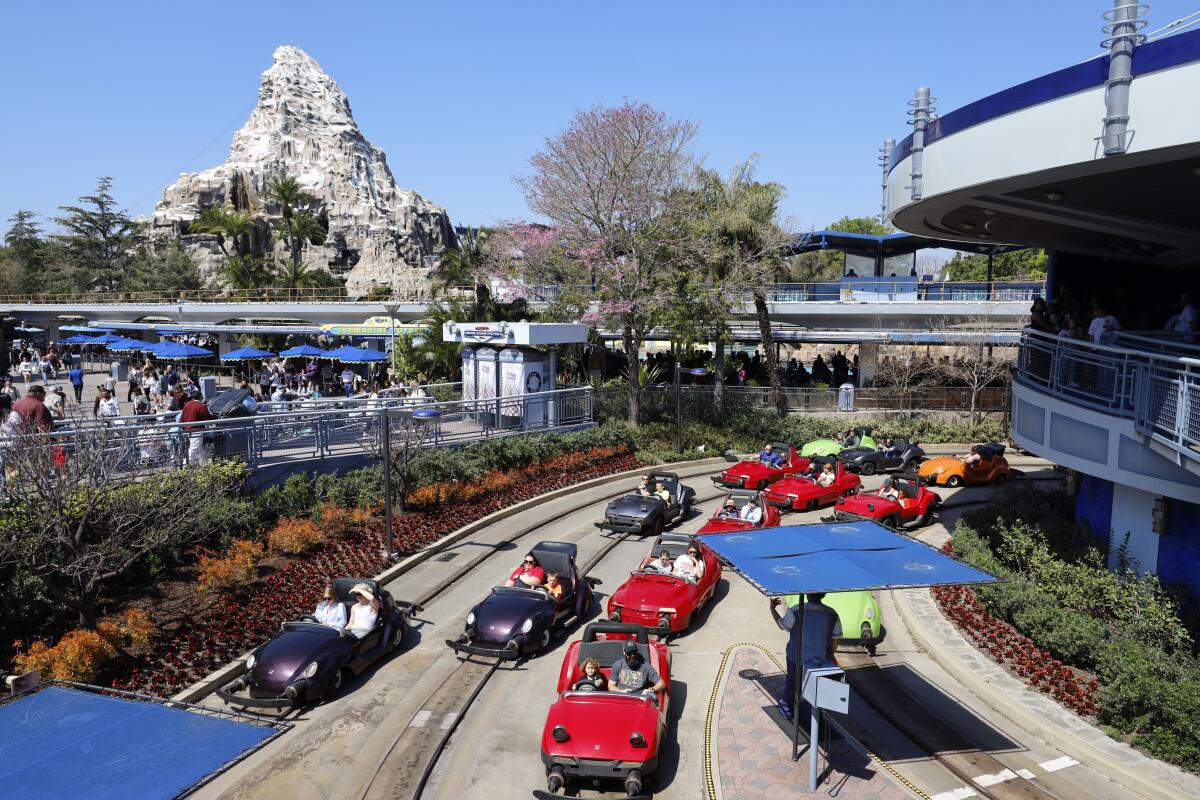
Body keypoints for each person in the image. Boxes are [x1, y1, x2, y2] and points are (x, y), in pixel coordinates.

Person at [769, 594, 841, 720]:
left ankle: (787, 709)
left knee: (792, 681)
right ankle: (813, 716)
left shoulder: (796, 610)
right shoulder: (832, 614)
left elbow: (782, 625)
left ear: (807, 594)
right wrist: (830, 656)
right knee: (815, 688)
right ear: (823, 595)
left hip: (796, 656)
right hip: (820, 659)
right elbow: (836, 639)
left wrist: (772, 608)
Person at [179, 389, 214, 466]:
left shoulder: (187, 404)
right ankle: (186, 465)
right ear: (200, 397)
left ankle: (204, 463)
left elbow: (181, 420)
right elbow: (209, 418)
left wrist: (185, 428)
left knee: (198, 446)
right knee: (194, 448)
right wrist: (215, 417)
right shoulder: (201, 406)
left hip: (188, 429)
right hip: (196, 430)